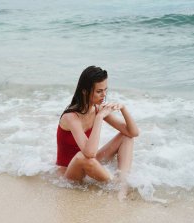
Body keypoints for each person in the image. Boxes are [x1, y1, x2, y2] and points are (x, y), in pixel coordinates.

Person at [56, 66, 139, 200]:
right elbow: (89, 153)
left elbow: (133, 133)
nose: (104, 95)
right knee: (82, 157)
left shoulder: (96, 108)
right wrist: (100, 117)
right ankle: (114, 185)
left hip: (90, 163)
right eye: (99, 91)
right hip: (70, 174)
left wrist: (123, 108)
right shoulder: (71, 117)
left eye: (105, 90)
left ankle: (122, 182)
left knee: (126, 137)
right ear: (85, 92)